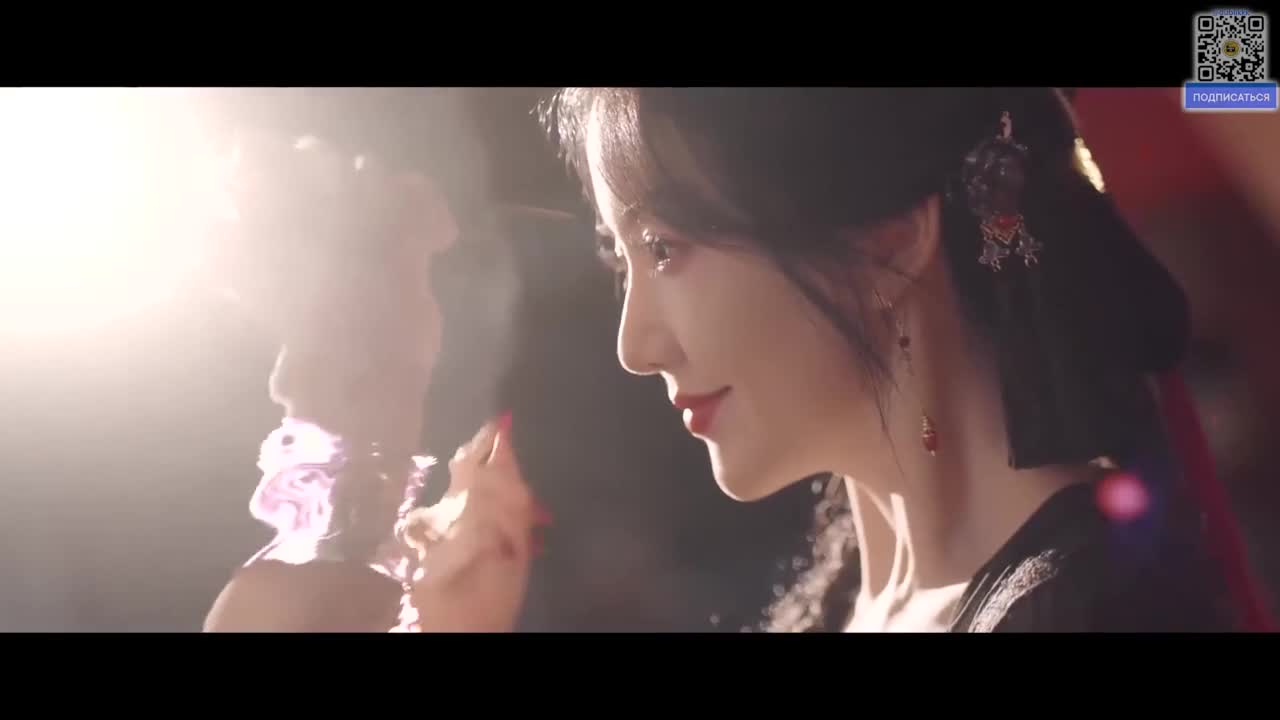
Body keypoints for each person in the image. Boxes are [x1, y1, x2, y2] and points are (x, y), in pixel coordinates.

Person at [205, 88, 1271, 632]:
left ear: (888, 235)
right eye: (619, 257)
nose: (633, 346)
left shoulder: (1095, 611)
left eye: (666, 248)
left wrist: (357, 417)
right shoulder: (852, 587)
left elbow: (1240, 52)